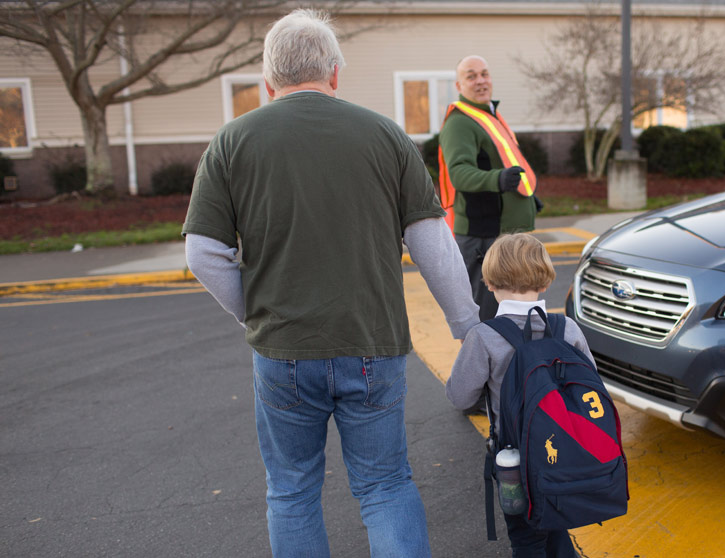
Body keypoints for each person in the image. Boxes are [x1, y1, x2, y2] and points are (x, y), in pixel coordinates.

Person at [182, 9, 479, 558]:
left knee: (292, 492)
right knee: (385, 486)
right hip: (373, 344)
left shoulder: (232, 141)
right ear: (335, 74)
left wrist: (256, 311)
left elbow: (203, 253)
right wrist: (467, 326)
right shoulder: (386, 136)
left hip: (283, 350)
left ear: (268, 82)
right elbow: (433, 244)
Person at [445, 233, 593, 558]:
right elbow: (591, 388)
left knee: (526, 540)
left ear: (489, 282)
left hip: (514, 460)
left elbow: (459, 397)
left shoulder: (484, 337)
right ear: (544, 281)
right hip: (564, 454)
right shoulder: (567, 328)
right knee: (555, 526)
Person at [438, 55, 540, 323]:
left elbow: (507, 163)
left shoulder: (488, 116)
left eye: (484, 74)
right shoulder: (460, 122)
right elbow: (459, 174)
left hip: (502, 236)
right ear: (459, 85)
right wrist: (498, 180)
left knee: (510, 318)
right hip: (484, 237)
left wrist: (528, 200)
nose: (480, 80)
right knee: (486, 321)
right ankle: (484, 366)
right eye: (471, 76)